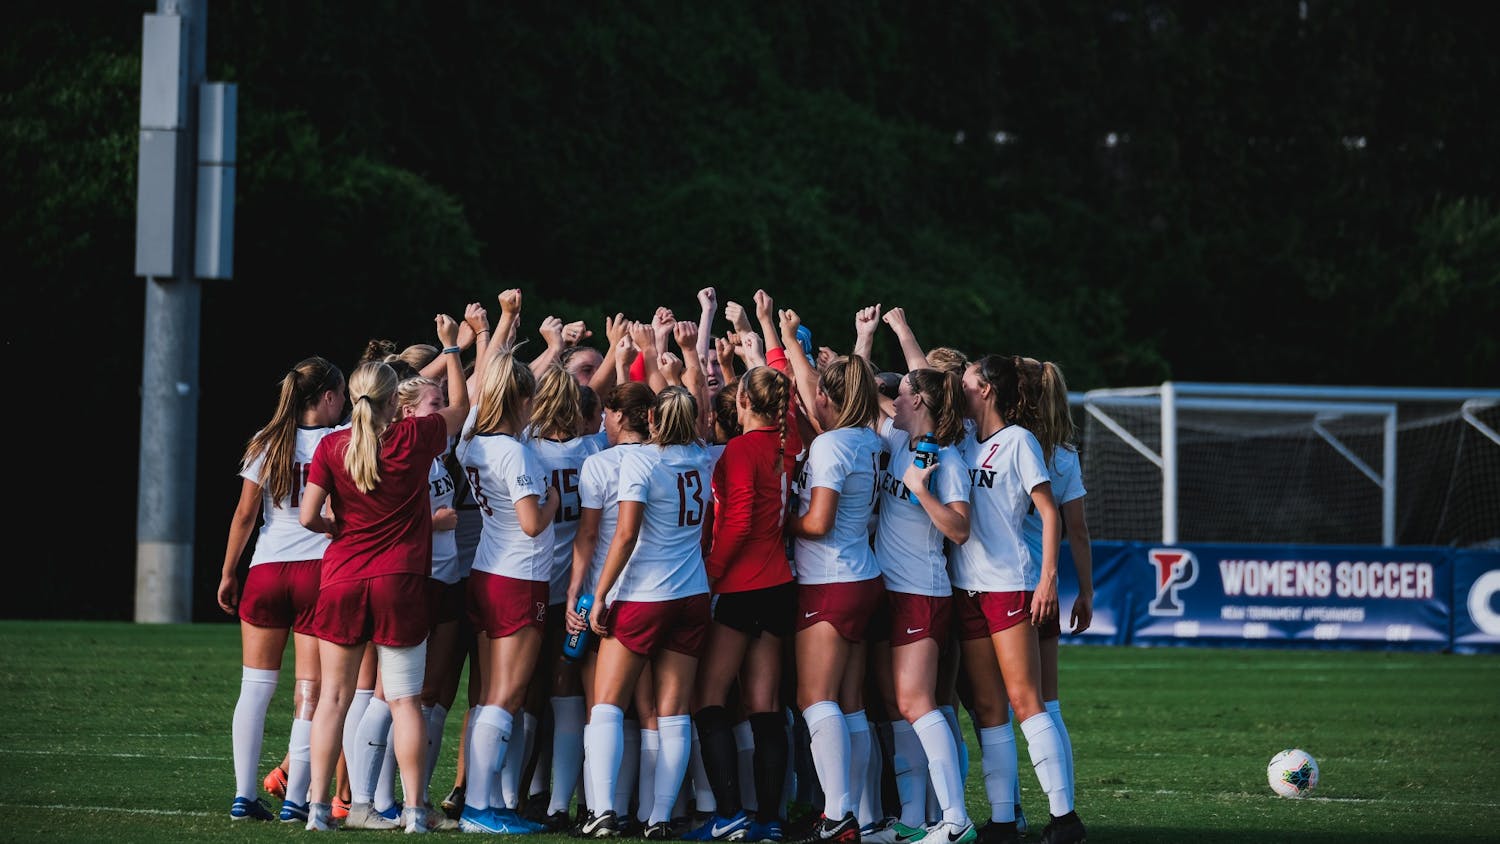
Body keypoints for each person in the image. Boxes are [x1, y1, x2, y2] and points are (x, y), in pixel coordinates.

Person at [298, 314, 471, 833]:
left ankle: (318, 810)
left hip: (344, 578)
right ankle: (416, 811)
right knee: (404, 701)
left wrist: (338, 529)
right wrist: (453, 351)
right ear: (397, 398)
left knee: (332, 699)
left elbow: (308, 516)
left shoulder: (331, 446)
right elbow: (461, 409)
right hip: (400, 581)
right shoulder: (415, 437)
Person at [948, 354, 1083, 844]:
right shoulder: (965, 438)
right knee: (988, 709)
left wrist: (1048, 579)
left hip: (1010, 584)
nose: (958, 385)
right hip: (968, 588)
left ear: (986, 389)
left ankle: (1065, 819)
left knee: (1028, 700)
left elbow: (1050, 513)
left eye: (966, 379)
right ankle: (1003, 820)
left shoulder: (1019, 441)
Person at [579, 386, 716, 839]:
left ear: (653, 418)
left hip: (644, 592)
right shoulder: (699, 456)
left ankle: (602, 810)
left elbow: (625, 536)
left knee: (607, 706)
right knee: (674, 712)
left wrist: (599, 595)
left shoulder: (643, 460)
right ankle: (658, 817)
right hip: (691, 591)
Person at [219, 356, 346, 823]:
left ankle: (243, 795)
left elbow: (245, 516)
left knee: (254, 686)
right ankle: (295, 799)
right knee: (310, 688)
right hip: (319, 570)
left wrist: (229, 571)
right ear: (328, 396)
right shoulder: (339, 440)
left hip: (267, 569)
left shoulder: (266, 440)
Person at [779, 312, 887, 844]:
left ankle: (836, 815)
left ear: (830, 397)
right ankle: (864, 819)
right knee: (851, 702)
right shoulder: (868, 440)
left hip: (830, 578)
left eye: (819, 392)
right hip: (864, 574)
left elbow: (817, 523)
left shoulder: (831, 445)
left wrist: (780, 519)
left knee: (814, 697)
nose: (812, 397)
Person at [453, 349, 561, 834]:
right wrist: (554, 498)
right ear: (518, 398)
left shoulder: (471, 442)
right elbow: (532, 523)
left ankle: (488, 802)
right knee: (507, 696)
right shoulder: (512, 451)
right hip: (520, 576)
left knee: (490, 696)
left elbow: (477, 404)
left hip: (486, 571)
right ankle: (480, 807)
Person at [690, 364, 800, 842]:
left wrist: (710, 576)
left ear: (743, 403)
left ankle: (730, 813)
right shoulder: (786, 445)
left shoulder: (740, 449)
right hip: (778, 584)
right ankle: (769, 820)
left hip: (740, 586)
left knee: (709, 697)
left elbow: (735, 523)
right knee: (765, 705)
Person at [869, 369, 974, 844]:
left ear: (922, 402)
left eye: (904, 393)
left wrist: (922, 491)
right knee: (897, 705)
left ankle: (955, 818)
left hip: (922, 591)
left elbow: (959, 528)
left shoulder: (946, 459)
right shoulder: (895, 437)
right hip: (889, 589)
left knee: (916, 702)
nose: (895, 398)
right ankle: (913, 818)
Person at [567, 380, 657, 834]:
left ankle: (601, 808)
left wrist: (576, 592)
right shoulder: (667, 456)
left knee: (601, 705)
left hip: (610, 593)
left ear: (621, 416)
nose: (602, 419)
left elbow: (587, 536)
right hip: (661, 591)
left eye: (607, 412)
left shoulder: (599, 463)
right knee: (650, 710)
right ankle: (646, 810)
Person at [521, 363, 603, 829]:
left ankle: (523, 795)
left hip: (536, 581)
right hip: (582, 587)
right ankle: (559, 804)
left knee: (524, 692)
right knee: (568, 694)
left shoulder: (526, 449)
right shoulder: (594, 449)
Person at [1017, 359, 1093, 822]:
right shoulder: (1064, 453)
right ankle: (1063, 807)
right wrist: (1086, 592)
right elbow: (1077, 530)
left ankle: (1012, 813)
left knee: (1003, 711)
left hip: (1006, 586)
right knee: (1049, 703)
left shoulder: (1005, 442)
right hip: (1046, 584)